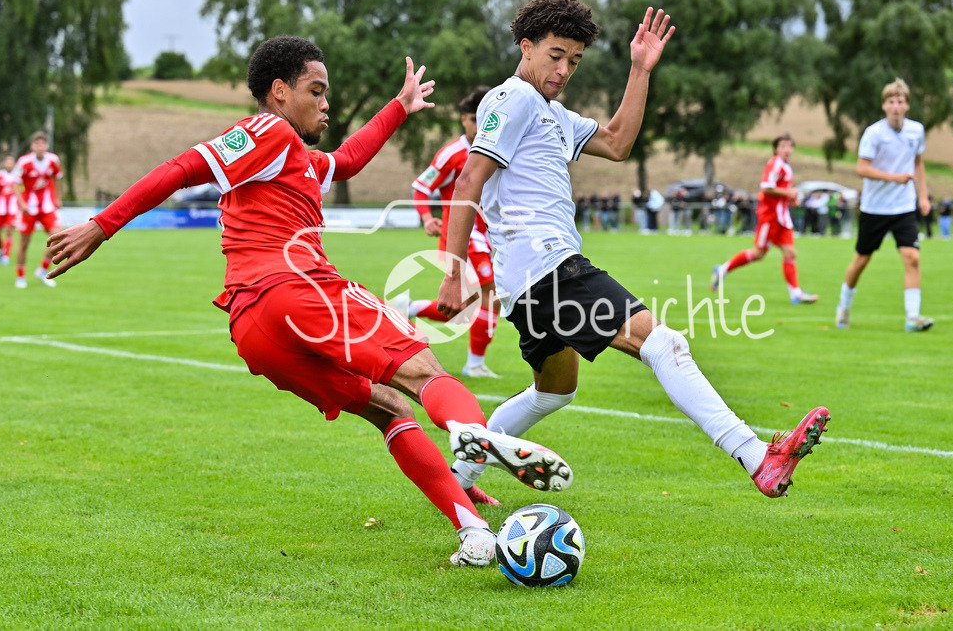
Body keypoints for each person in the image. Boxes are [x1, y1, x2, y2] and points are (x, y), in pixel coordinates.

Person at [44, 36, 574, 568]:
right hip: (297, 289)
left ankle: (474, 532)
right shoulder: (267, 131)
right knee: (424, 369)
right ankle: (471, 435)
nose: (327, 103)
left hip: (254, 330)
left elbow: (345, 162)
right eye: (315, 90)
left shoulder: (293, 157)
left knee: (388, 408)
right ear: (278, 92)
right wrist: (99, 226)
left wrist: (399, 106)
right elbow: (181, 169)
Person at [435, 0, 829, 502]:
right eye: (555, 55)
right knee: (664, 344)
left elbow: (618, 142)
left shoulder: (552, 113)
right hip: (548, 267)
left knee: (554, 391)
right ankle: (758, 456)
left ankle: (458, 482)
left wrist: (640, 69)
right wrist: (452, 271)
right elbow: (468, 180)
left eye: (574, 60)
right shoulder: (511, 99)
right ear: (525, 46)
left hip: (528, 280)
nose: (563, 70)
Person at [404, 87, 501, 380]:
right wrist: (427, 218)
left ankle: (408, 308)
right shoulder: (453, 154)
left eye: (485, 118)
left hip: (485, 236)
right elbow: (422, 188)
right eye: (474, 118)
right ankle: (474, 364)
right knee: (491, 295)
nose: (480, 124)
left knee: (466, 307)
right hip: (464, 237)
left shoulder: (496, 148)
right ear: (463, 120)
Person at [835, 77, 933, 332]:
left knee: (912, 257)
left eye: (900, 101)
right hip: (874, 208)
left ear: (907, 106)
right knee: (861, 260)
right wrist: (894, 178)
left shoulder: (916, 131)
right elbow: (861, 168)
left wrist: (923, 196)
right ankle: (843, 307)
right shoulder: (874, 133)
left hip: (903, 207)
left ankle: (913, 317)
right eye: (891, 101)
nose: (896, 106)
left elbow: (918, 162)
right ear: (884, 106)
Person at [710, 134, 818, 305]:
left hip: (782, 218)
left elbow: (779, 190)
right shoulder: (775, 163)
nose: (787, 149)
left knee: (790, 253)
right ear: (776, 149)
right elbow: (766, 187)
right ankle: (722, 270)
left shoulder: (785, 166)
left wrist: (791, 199)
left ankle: (796, 294)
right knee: (759, 254)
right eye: (783, 146)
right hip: (770, 217)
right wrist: (789, 193)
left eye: (790, 146)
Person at [12, 131, 62, 288]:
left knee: (58, 238)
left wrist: (57, 198)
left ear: (46, 146)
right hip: (29, 209)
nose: (40, 146)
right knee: (24, 244)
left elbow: (57, 178)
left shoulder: (53, 160)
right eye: (36, 144)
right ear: (32, 146)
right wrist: (21, 203)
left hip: (47, 207)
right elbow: (15, 183)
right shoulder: (24, 162)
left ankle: (42, 270)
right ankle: (20, 277)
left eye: (42, 144)